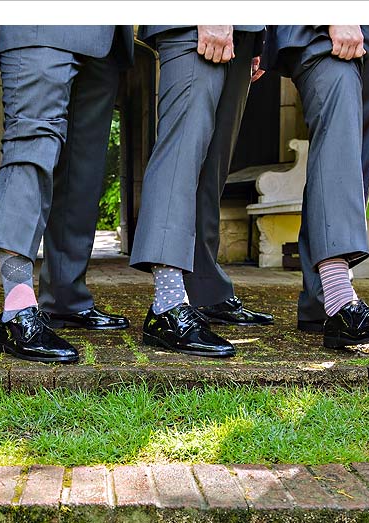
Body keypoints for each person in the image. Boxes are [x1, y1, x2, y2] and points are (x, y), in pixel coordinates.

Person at [0, 26, 134, 363]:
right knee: (31, 143)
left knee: (83, 170)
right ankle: (16, 310)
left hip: (106, 35)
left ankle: (67, 299)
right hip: (38, 24)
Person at [262, 25, 369, 349]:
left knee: (351, 160)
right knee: (338, 147)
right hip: (321, 29)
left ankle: (320, 300)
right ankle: (341, 302)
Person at [129, 25, 274, 357]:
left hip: (243, 29)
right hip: (195, 22)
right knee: (181, 150)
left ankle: (206, 292)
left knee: (212, 166)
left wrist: (257, 37)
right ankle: (166, 305)